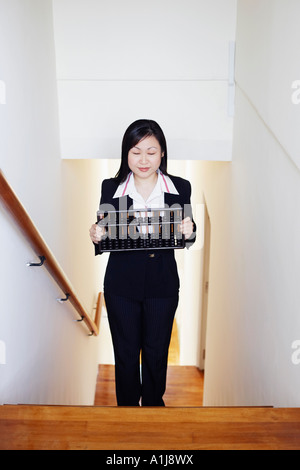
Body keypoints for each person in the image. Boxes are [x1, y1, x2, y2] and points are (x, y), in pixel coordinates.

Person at [89, 119, 196, 406]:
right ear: (126, 154)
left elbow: (187, 234)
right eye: (136, 152)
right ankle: (126, 409)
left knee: (156, 351)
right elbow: (106, 234)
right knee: (124, 353)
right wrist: (96, 235)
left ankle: (152, 406)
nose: (144, 159)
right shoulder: (111, 187)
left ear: (162, 153)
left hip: (162, 283)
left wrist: (190, 230)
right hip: (121, 283)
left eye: (151, 151)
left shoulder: (180, 187)